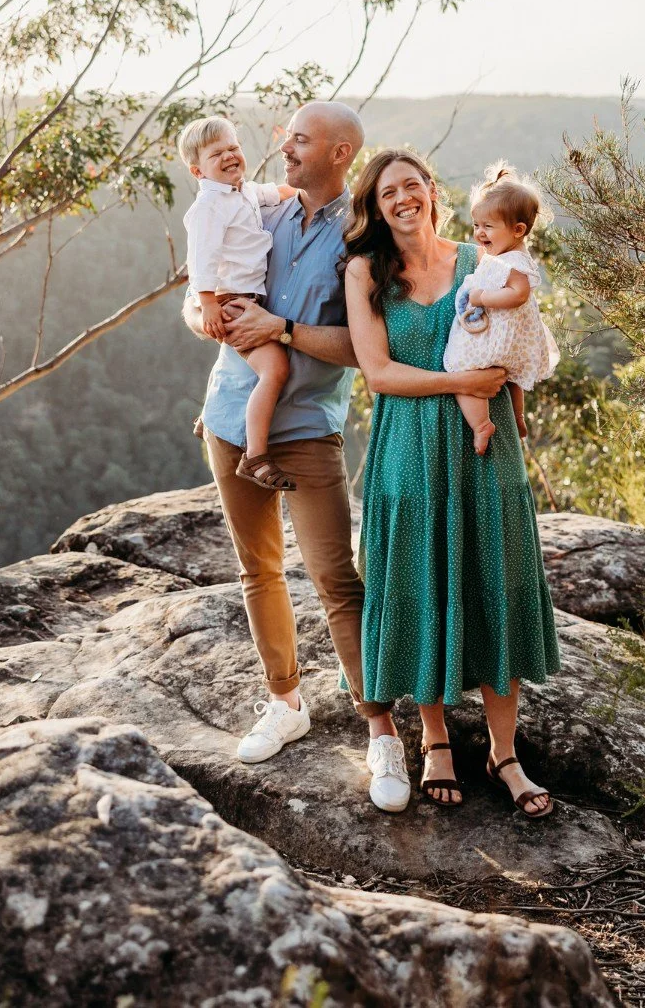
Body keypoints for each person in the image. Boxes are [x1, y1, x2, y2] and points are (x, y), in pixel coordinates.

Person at [186, 101, 434, 811]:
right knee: (257, 568)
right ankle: (284, 702)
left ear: (339, 152)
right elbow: (199, 291)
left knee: (335, 579)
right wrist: (206, 317)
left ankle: (381, 730)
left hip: (306, 428)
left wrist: (283, 329)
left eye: (299, 139)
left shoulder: (362, 237)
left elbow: (365, 349)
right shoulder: (257, 209)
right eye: (287, 137)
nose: (284, 147)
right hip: (230, 416)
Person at [344, 149, 561, 815]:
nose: (403, 199)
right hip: (408, 448)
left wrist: (508, 396)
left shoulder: (481, 259)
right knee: (422, 583)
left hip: (483, 452)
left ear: (432, 192)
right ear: (375, 207)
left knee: (496, 583)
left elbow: (520, 334)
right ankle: (434, 739)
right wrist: (461, 380)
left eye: (412, 185)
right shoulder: (365, 271)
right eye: (388, 192)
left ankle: (504, 753)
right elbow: (379, 374)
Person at [179, 115, 298, 490]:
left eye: (233, 147)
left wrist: (315, 193)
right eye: (217, 154)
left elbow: (278, 192)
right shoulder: (208, 207)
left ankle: (208, 417)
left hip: (248, 297)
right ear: (198, 171)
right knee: (275, 369)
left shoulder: (244, 191)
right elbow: (201, 260)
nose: (229, 156)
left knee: (250, 364)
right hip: (230, 300)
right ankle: (255, 456)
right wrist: (207, 304)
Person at [443, 160, 560, 455]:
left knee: (461, 368)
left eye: (488, 227)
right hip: (508, 337)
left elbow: (518, 294)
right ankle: (517, 417)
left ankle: (481, 424)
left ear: (518, 230)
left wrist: (482, 297)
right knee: (512, 378)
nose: (479, 233)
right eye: (476, 225)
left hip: (496, 337)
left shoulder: (514, 262)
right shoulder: (504, 256)